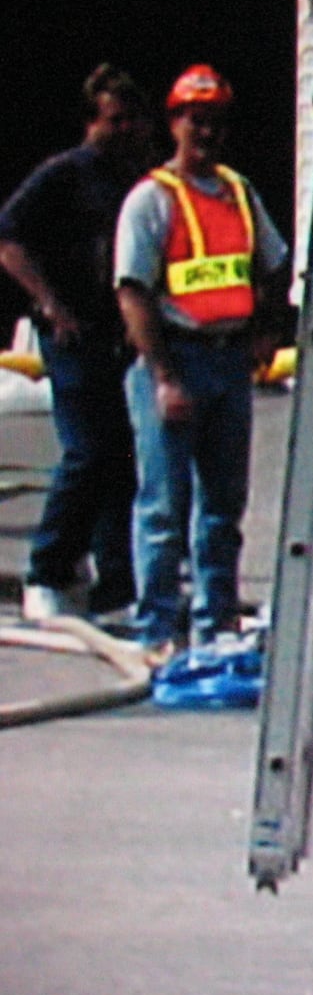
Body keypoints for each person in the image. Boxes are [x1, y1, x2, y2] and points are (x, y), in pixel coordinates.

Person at [114, 64, 291, 664]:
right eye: (197, 121)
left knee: (222, 505)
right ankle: (157, 628)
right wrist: (162, 376)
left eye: (216, 121)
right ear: (175, 123)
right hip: (175, 357)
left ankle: (215, 621)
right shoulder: (151, 200)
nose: (208, 132)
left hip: (227, 360)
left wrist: (266, 328)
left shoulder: (239, 193)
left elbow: (273, 263)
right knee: (164, 505)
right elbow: (133, 291)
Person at [0, 63, 154, 624]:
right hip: (72, 331)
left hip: (119, 335)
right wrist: (49, 303)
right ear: (92, 121)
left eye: (131, 120)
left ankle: (118, 579)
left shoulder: (137, 179)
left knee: (121, 455)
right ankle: (48, 567)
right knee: (88, 452)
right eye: (113, 120)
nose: (123, 129)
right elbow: (9, 240)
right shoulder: (64, 175)